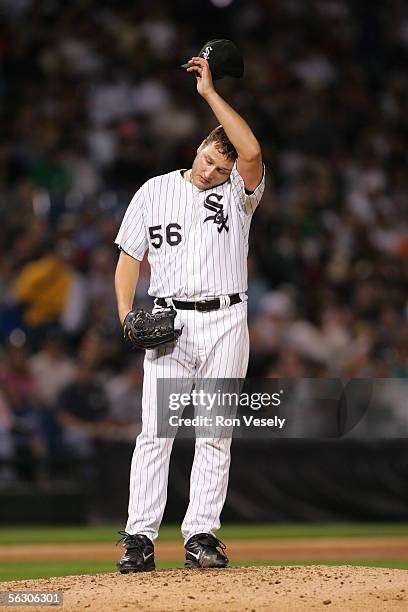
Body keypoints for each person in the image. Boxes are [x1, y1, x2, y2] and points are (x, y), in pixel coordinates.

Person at [114, 55, 265, 572]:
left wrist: (209, 94)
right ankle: (139, 538)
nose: (212, 171)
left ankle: (201, 534)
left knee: (214, 433)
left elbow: (251, 150)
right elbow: (129, 260)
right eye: (208, 159)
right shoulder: (154, 191)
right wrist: (124, 316)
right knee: (155, 433)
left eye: (221, 167)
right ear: (197, 147)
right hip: (169, 323)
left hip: (227, 322)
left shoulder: (237, 194)